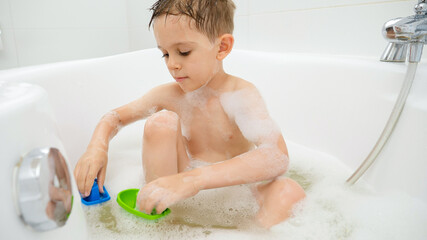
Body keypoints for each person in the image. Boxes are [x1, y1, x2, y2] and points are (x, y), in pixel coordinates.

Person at [74, 0, 305, 229]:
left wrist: (194, 180)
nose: (172, 64)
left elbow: (276, 155)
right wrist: (97, 148)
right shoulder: (169, 96)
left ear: (222, 47)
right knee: (161, 122)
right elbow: (115, 117)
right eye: (165, 54)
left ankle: (245, 233)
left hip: (233, 192)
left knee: (289, 192)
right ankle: (160, 218)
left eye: (183, 52)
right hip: (176, 194)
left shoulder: (240, 95)